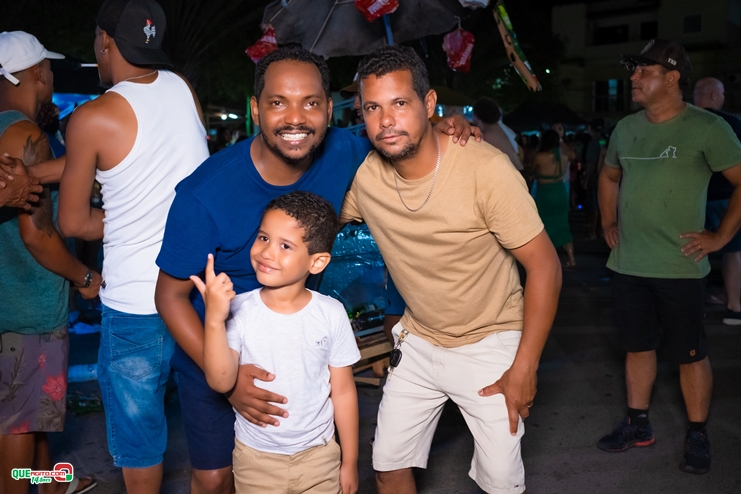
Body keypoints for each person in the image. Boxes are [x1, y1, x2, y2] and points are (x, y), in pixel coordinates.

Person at [154, 44, 479, 493]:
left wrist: (443, 126)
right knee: (215, 479)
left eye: (310, 103)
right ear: (256, 109)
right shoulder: (204, 194)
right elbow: (168, 296)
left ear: (329, 108)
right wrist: (229, 384)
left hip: (299, 348)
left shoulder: (345, 151)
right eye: (278, 103)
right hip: (215, 343)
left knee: (305, 467)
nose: (295, 118)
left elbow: (402, 137)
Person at [341, 45, 562, 494]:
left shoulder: (486, 169)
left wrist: (525, 366)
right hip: (419, 340)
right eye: (373, 108)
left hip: (490, 341)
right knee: (387, 467)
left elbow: (545, 267)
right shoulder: (365, 178)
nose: (386, 120)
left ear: (428, 104)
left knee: (501, 483)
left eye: (400, 103)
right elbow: (310, 220)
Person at [54, 1, 210, 492]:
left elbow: (73, 221)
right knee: (211, 431)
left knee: (140, 447)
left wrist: (124, 219)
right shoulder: (183, 89)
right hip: (198, 293)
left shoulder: (90, 118)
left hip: (135, 307)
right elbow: (148, 162)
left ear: (104, 41)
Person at [598, 39, 741, 474]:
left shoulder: (707, 128)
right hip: (629, 263)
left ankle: (697, 433)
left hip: (680, 265)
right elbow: (609, 175)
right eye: (634, 70)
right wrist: (608, 221)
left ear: (673, 77)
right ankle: (637, 423)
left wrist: (720, 236)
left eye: (645, 70)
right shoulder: (626, 128)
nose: (634, 77)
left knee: (690, 353)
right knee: (637, 347)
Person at [197, 192, 359, 494]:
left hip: (320, 457)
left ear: (317, 262)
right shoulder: (238, 310)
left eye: (285, 246)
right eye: (263, 238)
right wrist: (215, 320)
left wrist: (349, 461)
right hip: (256, 461)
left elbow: (344, 391)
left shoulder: (331, 313)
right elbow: (221, 382)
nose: (266, 252)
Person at [0, 30, 100, 494]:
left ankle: (50, 484)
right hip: (29, 308)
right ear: (38, 73)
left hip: (9, 304)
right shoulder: (26, 135)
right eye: (49, 69)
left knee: (30, 412)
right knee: (19, 424)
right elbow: (37, 235)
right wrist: (83, 275)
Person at [694, 77, 741, 324]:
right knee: (732, 251)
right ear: (714, 96)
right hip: (727, 198)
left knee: (692, 250)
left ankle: (692, 307)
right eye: (721, 95)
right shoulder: (732, 123)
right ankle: (734, 306)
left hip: (694, 198)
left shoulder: (685, 123)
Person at [532, 129, 576, 267]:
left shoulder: (539, 156)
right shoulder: (564, 157)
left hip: (545, 193)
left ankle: (545, 259)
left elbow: (530, 170)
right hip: (560, 191)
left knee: (543, 225)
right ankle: (571, 258)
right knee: (563, 225)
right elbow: (573, 155)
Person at [472, 97, 523, 171]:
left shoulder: (487, 136)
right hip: (518, 172)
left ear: (477, 116)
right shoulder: (499, 128)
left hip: (511, 174)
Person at [582, 119, 605, 239]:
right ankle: (600, 230)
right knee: (602, 205)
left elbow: (591, 162)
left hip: (595, 177)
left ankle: (593, 231)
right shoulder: (604, 141)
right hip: (606, 176)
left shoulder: (593, 143)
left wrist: (586, 178)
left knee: (593, 205)